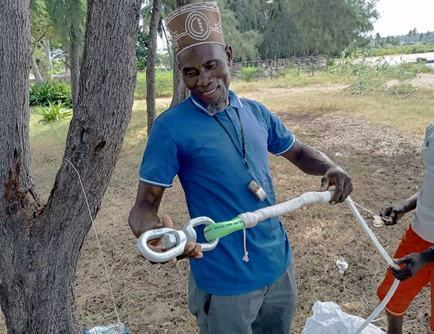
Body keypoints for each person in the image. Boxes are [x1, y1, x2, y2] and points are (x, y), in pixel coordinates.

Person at [128, 2, 353, 333]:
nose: (203, 80)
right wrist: (160, 236)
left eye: (211, 65)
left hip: (278, 268)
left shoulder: (256, 112)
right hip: (223, 282)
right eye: (191, 71)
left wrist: (330, 166)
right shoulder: (171, 128)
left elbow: (299, 152)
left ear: (229, 56)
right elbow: (144, 206)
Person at [377, 74, 434, 334]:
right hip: (417, 237)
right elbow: (433, 185)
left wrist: (429, 257)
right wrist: (404, 206)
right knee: (391, 295)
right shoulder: (433, 131)